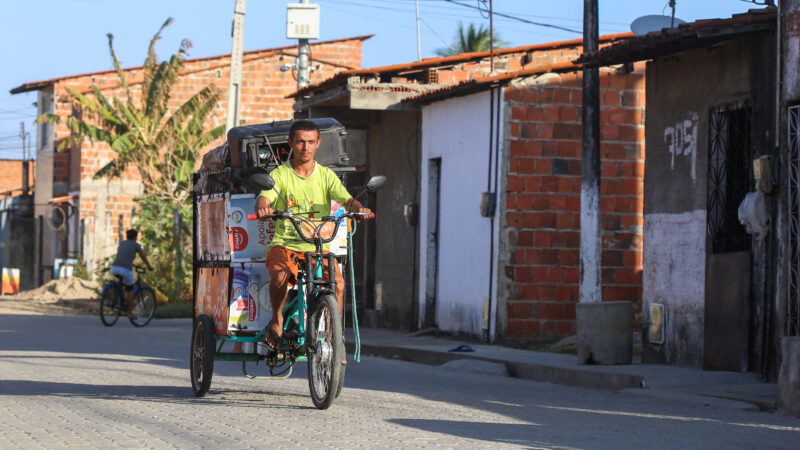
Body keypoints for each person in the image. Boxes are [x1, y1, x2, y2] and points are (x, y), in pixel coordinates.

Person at [255, 120, 370, 354]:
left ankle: (333, 340)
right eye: (300, 142)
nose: (305, 147)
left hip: (318, 247)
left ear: (318, 144)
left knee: (338, 283)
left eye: (310, 142)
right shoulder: (280, 174)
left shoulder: (326, 176)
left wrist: (359, 208)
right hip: (286, 244)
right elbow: (264, 197)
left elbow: (347, 199)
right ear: (291, 143)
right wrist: (263, 207)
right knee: (279, 276)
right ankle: (276, 320)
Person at [111, 229, 153, 317]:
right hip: (125, 269)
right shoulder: (136, 245)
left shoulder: (122, 243)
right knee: (130, 290)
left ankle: (118, 300)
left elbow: (123, 256)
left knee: (121, 281)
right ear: (135, 237)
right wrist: (148, 266)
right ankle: (129, 313)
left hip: (114, 268)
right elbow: (143, 256)